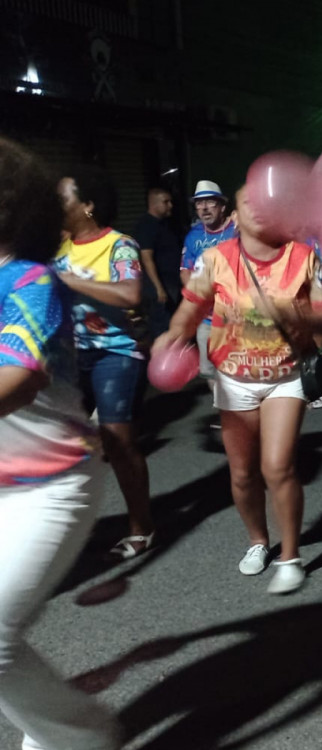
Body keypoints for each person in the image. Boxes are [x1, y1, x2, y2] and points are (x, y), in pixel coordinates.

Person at [0, 137, 121, 750]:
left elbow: (16, 381)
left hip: (49, 486)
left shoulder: (30, 280)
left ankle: (83, 734)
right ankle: (54, 733)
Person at [155, 186, 322, 595]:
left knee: (277, 467)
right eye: (248, 204)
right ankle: (258, 541)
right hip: (234, 377)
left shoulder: (303, 257)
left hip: (285, 375)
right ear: (235, 215)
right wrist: (173, 336)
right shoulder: (215, 259)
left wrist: (293, 313)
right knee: (241, 473)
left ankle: (290, 556)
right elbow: (190, 308)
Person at [54, 166, 154, 560]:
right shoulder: (57, 246)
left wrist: (69, 281)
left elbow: (130, 293)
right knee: (57, 442)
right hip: (66, 358)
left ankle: (141, 526)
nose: (55, 205)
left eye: (63, 198)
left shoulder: (120, 245)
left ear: (88, 206)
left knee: (118, 441)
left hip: (115, 352)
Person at [180, 180, 238, 389]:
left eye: (210, 202)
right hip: (206, 317)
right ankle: (223, 409)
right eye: (199, 203)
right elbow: (185, 270)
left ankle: (239, 412)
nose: (204, 208)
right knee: (207, 369)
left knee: (236, 367)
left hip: (236, 317)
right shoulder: (193, 236)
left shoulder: (238, 230)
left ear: (222, 206)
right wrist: (198, 295)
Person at [131, 187, 179, 333]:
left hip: (170, 284)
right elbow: (146, 258)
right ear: (154, 204)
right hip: (158, 288)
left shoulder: (164, 224)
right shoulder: (146, 226)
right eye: (166, 202)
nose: (170, 205)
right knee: (162, 328)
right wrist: (158, 288)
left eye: (171, 201)